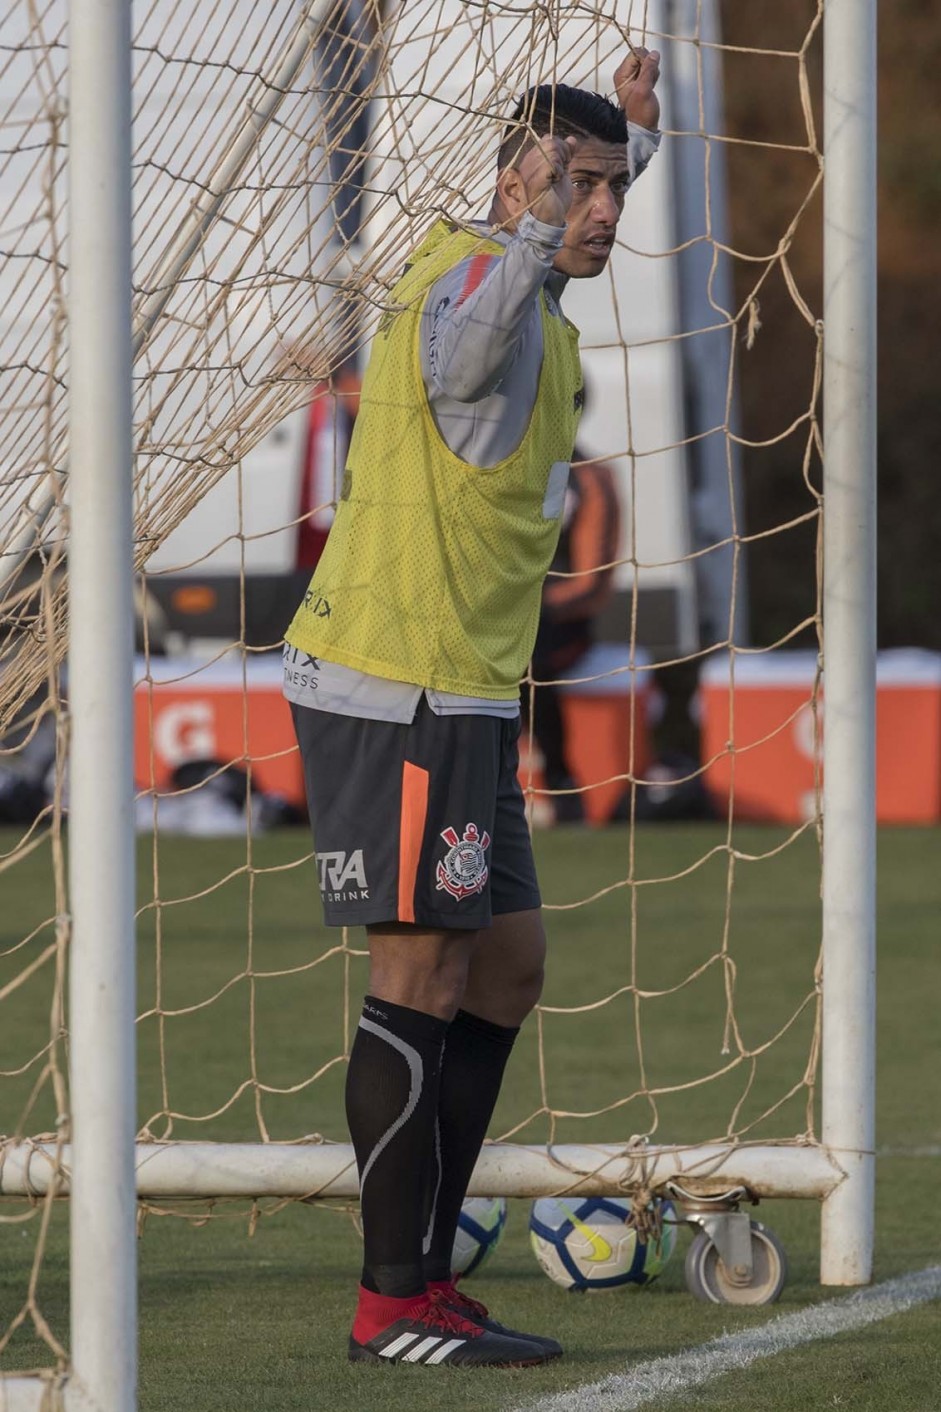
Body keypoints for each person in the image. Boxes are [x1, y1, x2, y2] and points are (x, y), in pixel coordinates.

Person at [282, 49, 661, 1368]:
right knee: (421, 968)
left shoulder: (535, 280)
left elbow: (560, 233)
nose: (600, 209)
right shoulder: (473, 285)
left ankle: (428, 1272)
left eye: (615, 187)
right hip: (399, 682)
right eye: (577, 183)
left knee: (507, 964)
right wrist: (534, 227)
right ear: (516, 184)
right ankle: (393, 1301)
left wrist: (633, 139)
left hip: (470, 693)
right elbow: (457, 354)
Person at [524, 447, 621, 824]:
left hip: (561, 623)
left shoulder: (589, 477)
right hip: (499, 612)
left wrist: (528, 605)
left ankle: (561, 782)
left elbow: (592, 583)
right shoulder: (502, 459)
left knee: (531, 660)